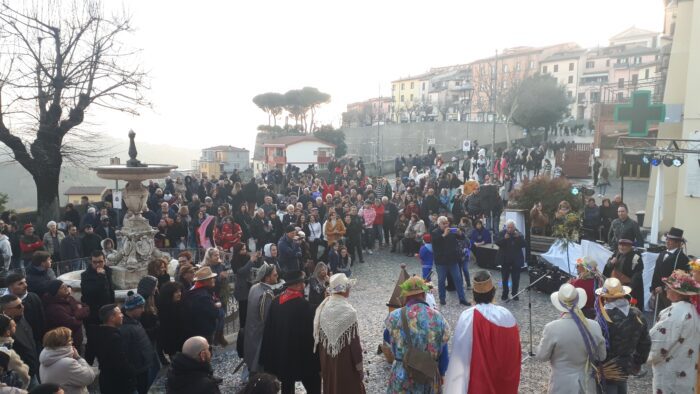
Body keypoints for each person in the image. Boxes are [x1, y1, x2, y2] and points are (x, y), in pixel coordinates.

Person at [444, 271, 521, 394]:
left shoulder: (468, 316)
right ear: (493, 292)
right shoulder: (507, 315)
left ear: (474, 294)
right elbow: (513, 352)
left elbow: (460, 355)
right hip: (503, 383)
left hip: (479, 383)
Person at [534, 283, 606, 394]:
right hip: (586, 385)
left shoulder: (552, 328)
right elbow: (601, 356)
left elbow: (541, 356)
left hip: (560, 385)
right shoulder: (594, 325)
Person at [385, 276, 450, 393]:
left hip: (402, 374)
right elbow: (443, 350)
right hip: (428, 375)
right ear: (424, 295)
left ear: (405, 296)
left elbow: (388, 340)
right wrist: (442, 373)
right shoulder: (438, 318)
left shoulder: (394, 317)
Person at [260, 271, 320, 394]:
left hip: (283, 356)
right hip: (302, 358)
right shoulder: (304, 306)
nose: (304, 286)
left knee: (287, 387)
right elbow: (312, 334)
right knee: (314, 386)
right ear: (298, 285)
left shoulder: (276, 302)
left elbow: (269, 331)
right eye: (303, 283)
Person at [593, 278, 651, 394]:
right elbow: (645, 343)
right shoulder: (637, 314)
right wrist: (637, 362)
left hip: (606, 367)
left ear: (606, 296)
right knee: (621, 387)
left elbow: (596, 344)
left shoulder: (603, 317)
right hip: (626, 365)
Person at [648, 270, 700, 393]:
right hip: (686, 367)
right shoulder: (694, 311)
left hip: (670, 370)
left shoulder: (673, 313)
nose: (666, 290)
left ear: (676, 292)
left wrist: (641, 355)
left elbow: (658, 342)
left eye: (668, 287)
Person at [313, 274, 365, 394]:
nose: (350, 289)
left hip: (328, 361)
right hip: (345, 362)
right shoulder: (349, 312)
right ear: (344, 290)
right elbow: (355, 344)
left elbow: (319, 340)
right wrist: (359, 368)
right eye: (348, 287)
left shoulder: (323, 308)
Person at [243, 263, 279, 376]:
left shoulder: (254, 287)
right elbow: (268, 321)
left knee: (252, 360)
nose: (277, 277)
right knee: (259, 367)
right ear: (267, 278)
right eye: (275, 275)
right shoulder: (266, 294)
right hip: (260, 335)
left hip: (251, 332)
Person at [80, 251, 114, 365]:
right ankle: (88, 366)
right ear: (91, 262)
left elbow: (110, 290)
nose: (98, 265)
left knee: (107, 340)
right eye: (95, 262)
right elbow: (89, 293)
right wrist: (100, 277)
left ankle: (105, 363)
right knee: (92, 342)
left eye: (101, 261)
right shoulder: (85, 275)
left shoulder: (108, 271)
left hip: (106, 311)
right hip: (93, 314)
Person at [38, 327, 96, 394]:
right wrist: (78, 358)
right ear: (63, 344)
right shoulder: (67, 364)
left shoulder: (44, 361)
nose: (72, 342)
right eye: (70, 340)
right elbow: (90, 376)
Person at [95, 304, 136, 394]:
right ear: (112, 318)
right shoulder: (114, 338)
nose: (122, 315)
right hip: (118, 384)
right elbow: (121, 363)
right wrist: (133, 372)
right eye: (119, 313)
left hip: (107, 381)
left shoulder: (99, 333)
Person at [119, 292, 154, 394]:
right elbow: (126, 352)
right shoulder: (125, 328)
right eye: (141, 307)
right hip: (138, 369)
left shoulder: (134, 320)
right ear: (132, 308)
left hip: (143, 365)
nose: (143, 310)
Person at [0, 295, 38, 386]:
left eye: (22, 304)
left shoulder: (21, 318)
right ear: (6, 311)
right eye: (18, 306)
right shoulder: (4, 332)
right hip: (23, 379)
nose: (22, 307)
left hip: (32, 369)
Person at [42, 280, 89, 354]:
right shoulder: (54, 308)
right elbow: (73, 324)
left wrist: (76, 315)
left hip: (76, 340)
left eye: (66, 286)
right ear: (55, 292)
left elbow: (86, 307)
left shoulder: (69, 298)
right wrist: (79, 314)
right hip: (66, 344)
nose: (66, 288)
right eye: (62, 287)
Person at [650, 227, 690, 313]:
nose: (667, 241)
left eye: (671, 240)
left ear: (678, 243)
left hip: (671, 294)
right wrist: (653, 287)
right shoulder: (662, 253)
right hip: (658, 292)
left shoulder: (682, 258)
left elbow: (681, 279)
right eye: (667, 239)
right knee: (658, 315)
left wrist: (664, 288)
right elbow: (656, 272)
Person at [431, 216, 469, 306]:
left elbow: (463, 238)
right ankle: (442, 299)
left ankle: (462, 299)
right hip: (441, 262)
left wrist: (460, 233)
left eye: (446, 223)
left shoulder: (451, 231)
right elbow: (435, 243)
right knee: (441, 280)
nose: (445, 225)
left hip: (453, 260)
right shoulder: (434, 232)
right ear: (439, 224)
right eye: (443, 223)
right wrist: (444, 235)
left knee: (458, 279)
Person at [4, 273, 45, 352]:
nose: (25, 285)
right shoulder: (4, 304)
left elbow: (42, 319)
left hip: (38, 342)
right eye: (20, 284)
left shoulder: (33, 297)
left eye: (25, 282)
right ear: (10, 287)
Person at [603, 239, 645, 307]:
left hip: (627, 289)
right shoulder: (616, 253)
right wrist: (611, 263)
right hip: (615, 288)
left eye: (624, 245)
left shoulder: (636, 257)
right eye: (620, 245)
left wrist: (629, 288)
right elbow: (607, 267)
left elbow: (637, 274)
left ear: (630, 246)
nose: (621, 247)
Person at [184, 267, 220, 344]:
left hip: (196, 329)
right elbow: (214, 313)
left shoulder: (193, 290)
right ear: (205, 281)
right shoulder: (203, 296)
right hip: (204, 331)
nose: (214, 279)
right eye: (211, 278)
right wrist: (216, 306)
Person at [495, 220, 526, 301]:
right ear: (506, 227)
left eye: (511, 227)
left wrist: (518, 237)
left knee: (516, 278)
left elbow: (524, 244)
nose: (510, 229)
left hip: (516, 260)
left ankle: (515, 293)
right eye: (508, 227)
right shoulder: (502, 233)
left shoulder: (518, 233)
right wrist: (504, 239)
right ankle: (505, 293)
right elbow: (497, 242)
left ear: (514, 227)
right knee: (505, 278)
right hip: (505, 260)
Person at [0, 315, 30, 390]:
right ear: (7, 332)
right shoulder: (8, 353)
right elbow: (24, 376)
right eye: (13, 326)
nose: (16, 326)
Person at [156, 282, 185, 359]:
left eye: (179, 291)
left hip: (183, 342)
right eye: (176, 292)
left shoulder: (181, 305)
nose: (179, 294)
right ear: (169, 294)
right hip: (172, 344)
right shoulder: (164, 310)